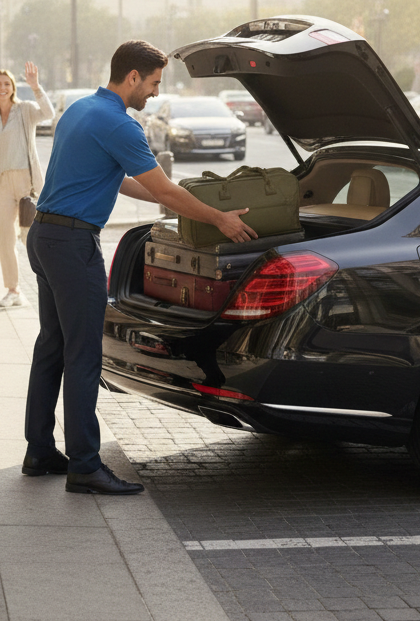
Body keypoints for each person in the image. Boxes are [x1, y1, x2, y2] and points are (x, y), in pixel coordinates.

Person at [22, 40, 257, 495]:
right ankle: (85, 466)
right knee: (83, 354)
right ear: (132, 77)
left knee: (51, 346)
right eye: (152, 83)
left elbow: (125, 181)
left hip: (44, 236)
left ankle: (39, 451)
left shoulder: (79, 110)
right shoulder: (119, 125)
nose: (154, 92)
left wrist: (177, 201)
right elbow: (165, 190)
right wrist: (217, 217)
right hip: (72, 245)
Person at [0, 62, 54, 308]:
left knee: (32, 237)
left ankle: (51, 280)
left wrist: (36, 87)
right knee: (5, 237)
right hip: (3, 181)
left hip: (28, 181)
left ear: (13, 87)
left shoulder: (25, 109)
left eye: (7, 84)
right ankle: (13, 290)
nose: (2, 88)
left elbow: (48, 113)